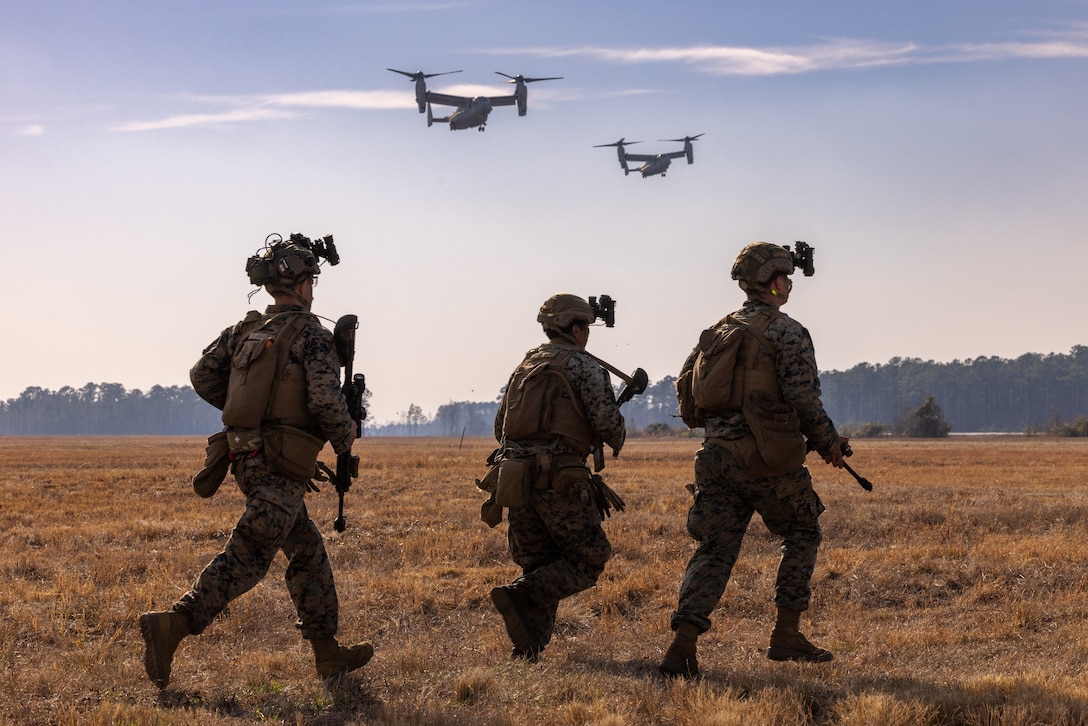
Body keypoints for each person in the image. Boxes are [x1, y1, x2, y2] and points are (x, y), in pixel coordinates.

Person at [139, 237, 372, 688]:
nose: (312, 288)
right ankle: (173, 624)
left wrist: (248, 409)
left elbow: (202, 374)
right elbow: (326, 402)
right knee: (249, 554)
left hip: (245, 456)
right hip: (283, 463)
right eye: (312, 280)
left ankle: (327, 653)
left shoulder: (243, 331)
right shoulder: (312, 336)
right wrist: (346, 435)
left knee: (306, 549)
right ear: (303, 286)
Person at [658, 242, 848, 679]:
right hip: (765, 457)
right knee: (802, 530)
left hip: (714, 456)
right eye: (788, 278)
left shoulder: (718, 331)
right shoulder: (788, 332)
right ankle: (786, 635)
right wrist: (828, 442)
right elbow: (803, 398)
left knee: (715, 549)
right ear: (777, 282)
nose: (790, 285)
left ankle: (682, 646)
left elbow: (686, 396)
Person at [486, 293, 626, 662]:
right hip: (560, 480)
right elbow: (610, 427)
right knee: (590, 557)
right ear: (577, 328)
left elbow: (500, 427)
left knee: (539, 562)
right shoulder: (584, 366)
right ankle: (520, 594)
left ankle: (527, 647)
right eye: (587, 328)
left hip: (515, 479)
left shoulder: (526, 364)